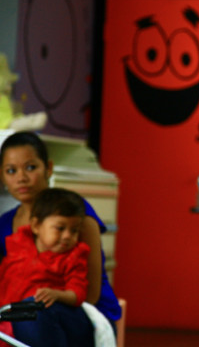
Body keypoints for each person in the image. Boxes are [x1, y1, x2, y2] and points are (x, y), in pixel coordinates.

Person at [0, 131, 122, 333]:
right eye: (11, 171)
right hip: (24, 316)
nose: (21, 178)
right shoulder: (4, 224)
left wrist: (51, 297)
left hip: (83, 313)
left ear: (48, 168)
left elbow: (90, 294)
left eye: (31, 167)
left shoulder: (74, 212)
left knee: (32, 317)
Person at [0, 188, 94, 346]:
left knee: (31, 314)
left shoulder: (73, 256)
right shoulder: (17, 244)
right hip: (9, 317)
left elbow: (78, 294)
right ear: (36, 225)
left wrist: (57, 295)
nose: (67, 236)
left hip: (42, 321)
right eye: (60, 228)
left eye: (74, 230)